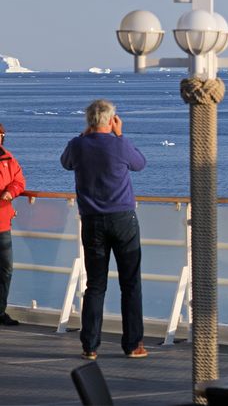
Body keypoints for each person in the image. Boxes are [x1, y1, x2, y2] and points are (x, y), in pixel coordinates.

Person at [60, 99, 148, 360]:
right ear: (112, 120)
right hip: (122, 219)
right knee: (130, 283)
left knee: (95, 285)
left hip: (92, 221)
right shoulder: (120, 144)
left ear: (88, 121)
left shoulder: (77, 146)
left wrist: (82, 135)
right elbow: (140, 163)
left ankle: (90, 346)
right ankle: (133, 344)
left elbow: (65, 163)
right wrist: (120, 134)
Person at [0, 123, 26, 326]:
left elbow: (19, 181)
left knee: (6, 268)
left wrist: (11, 191)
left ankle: (0, 310)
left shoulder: (8, 159)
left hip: (2, 222)